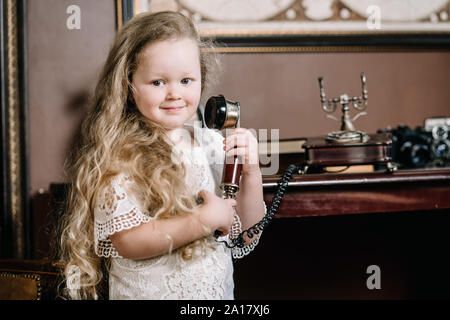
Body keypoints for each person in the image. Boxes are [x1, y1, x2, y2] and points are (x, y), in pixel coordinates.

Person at [59, 11, 266, 300]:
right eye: (158, 82)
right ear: (129, 87)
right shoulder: (120, 154)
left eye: (186, 80)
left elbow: (246, 235)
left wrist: (251, 173)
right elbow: (129, 242)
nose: (174, 94)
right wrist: (202, 221)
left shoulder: (210, 145)